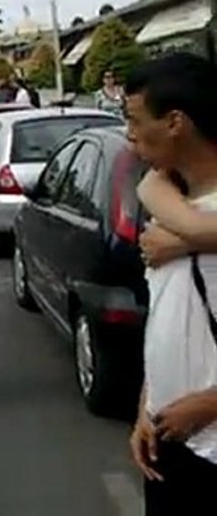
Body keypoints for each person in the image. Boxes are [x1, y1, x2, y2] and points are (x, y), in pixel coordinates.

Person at [122, 53, 217, 513]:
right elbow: (169, 316)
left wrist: (209, 405)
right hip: (171, 439)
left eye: (135, 120)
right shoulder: (169, 213)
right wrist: (148, 403)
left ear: (175, 122)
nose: (129, 134)